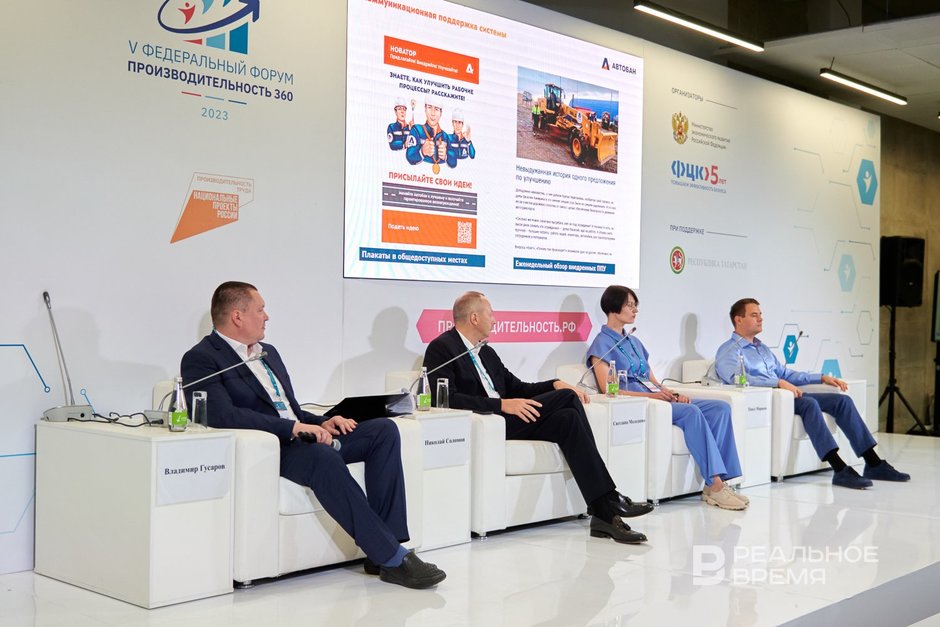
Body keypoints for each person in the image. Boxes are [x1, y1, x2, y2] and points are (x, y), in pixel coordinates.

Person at [180, 282, 446, 589]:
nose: (267, 316)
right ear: (237, 316)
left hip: (302, 435)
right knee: (323, 456)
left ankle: (386, 549)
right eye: (260, 309)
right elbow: (221, 415)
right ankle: (394, 559)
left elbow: (289, 409)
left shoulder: (268, 353)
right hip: (275, 446)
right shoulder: (202, 358)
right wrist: (293, 429)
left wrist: (324, 422)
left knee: (383, 431)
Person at [423, 291, 653, 544]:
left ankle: (603, 515)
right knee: (568, 397)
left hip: (512, 416)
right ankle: (609, 498)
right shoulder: (443, 348)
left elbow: (518, 387)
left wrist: (553, 383)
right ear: (474, 318)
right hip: (491, 423)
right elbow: (446, 399)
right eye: (491, 314)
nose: (495, 320)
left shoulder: (486, 352)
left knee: (568, 418)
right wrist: (501, 405)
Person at [716, 298, 910, 489]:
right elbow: (735, 378)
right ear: (738, 320)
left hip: (789, 395)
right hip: (768, 401)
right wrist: (778, 383)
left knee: (842, 401)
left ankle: (874, 463)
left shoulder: (763, 349)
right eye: (754, 315)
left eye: (760, 314)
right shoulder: (728, 350)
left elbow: (786, 374)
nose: (760, 319)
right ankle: (840, 469)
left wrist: (821, 378)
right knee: (810, 404)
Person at [586, 286, 747, 510]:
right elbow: (608, 389)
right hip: (637, 401)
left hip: (656, 395)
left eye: (635, 305)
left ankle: (721, 482)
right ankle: (715, 485)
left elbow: (652, 379)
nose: (635, 310)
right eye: (629, 305)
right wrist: (654, 396)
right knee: (691, 412)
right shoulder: (601, 345)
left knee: (720, 408)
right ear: (613, 307)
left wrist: (671, 394)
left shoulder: (634, 341)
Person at [405, 95, 456, 169]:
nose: (433, 113)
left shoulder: (445, 136)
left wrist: (446, 156)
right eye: (429, 107)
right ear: (425, 109)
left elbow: (454, 161)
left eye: (436, 109)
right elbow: (409, 155)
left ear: (441, 113)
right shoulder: (417, 130)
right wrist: (422, 151)